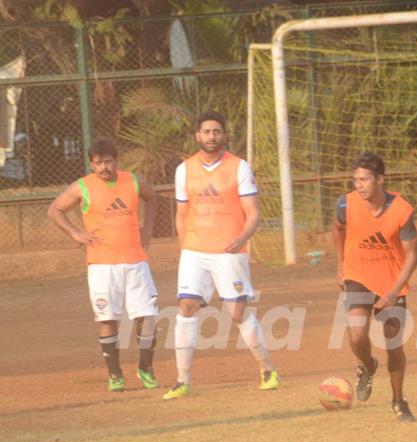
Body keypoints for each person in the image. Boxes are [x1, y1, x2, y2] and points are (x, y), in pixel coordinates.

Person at [163, 111, 278, 400]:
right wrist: (185, 249)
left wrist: (240, 240)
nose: (211, 136)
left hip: (230, 252)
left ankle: (267, 369)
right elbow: (181, 215)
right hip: (194, 252)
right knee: (186, 307)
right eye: (206, 132)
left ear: (223, 135)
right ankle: (182, 380)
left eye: (216, 131)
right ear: (197, 136)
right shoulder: (184, 170)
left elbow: (253, 214)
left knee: (236, 313)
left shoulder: (239, 167)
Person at [48, 138, 160, 392]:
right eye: (98, 163)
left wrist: (148, 227)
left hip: (135, 261)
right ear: (91, 164)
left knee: (148, 317)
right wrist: (76, 234)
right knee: (108, 319)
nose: (104, 167)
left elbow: (152, 198)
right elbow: (55, 210)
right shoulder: (82, 187)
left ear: (115, 161)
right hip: (102, 265)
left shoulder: (132, 181)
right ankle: (115, 375)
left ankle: (146, 368)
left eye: (108, 161)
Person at [332, 152, 417, 421]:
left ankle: (398, 401)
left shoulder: (401, 210)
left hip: (392, 281)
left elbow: (413, 255)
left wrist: (394, 292)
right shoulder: (346, 205)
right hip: (357, 273)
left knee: (394, 344)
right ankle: (368, 367)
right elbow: (337, 229)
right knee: (357, 335)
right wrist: (340, 265)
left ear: (380, 180)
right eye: (356, 180)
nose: (359, 185)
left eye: (364, 180)